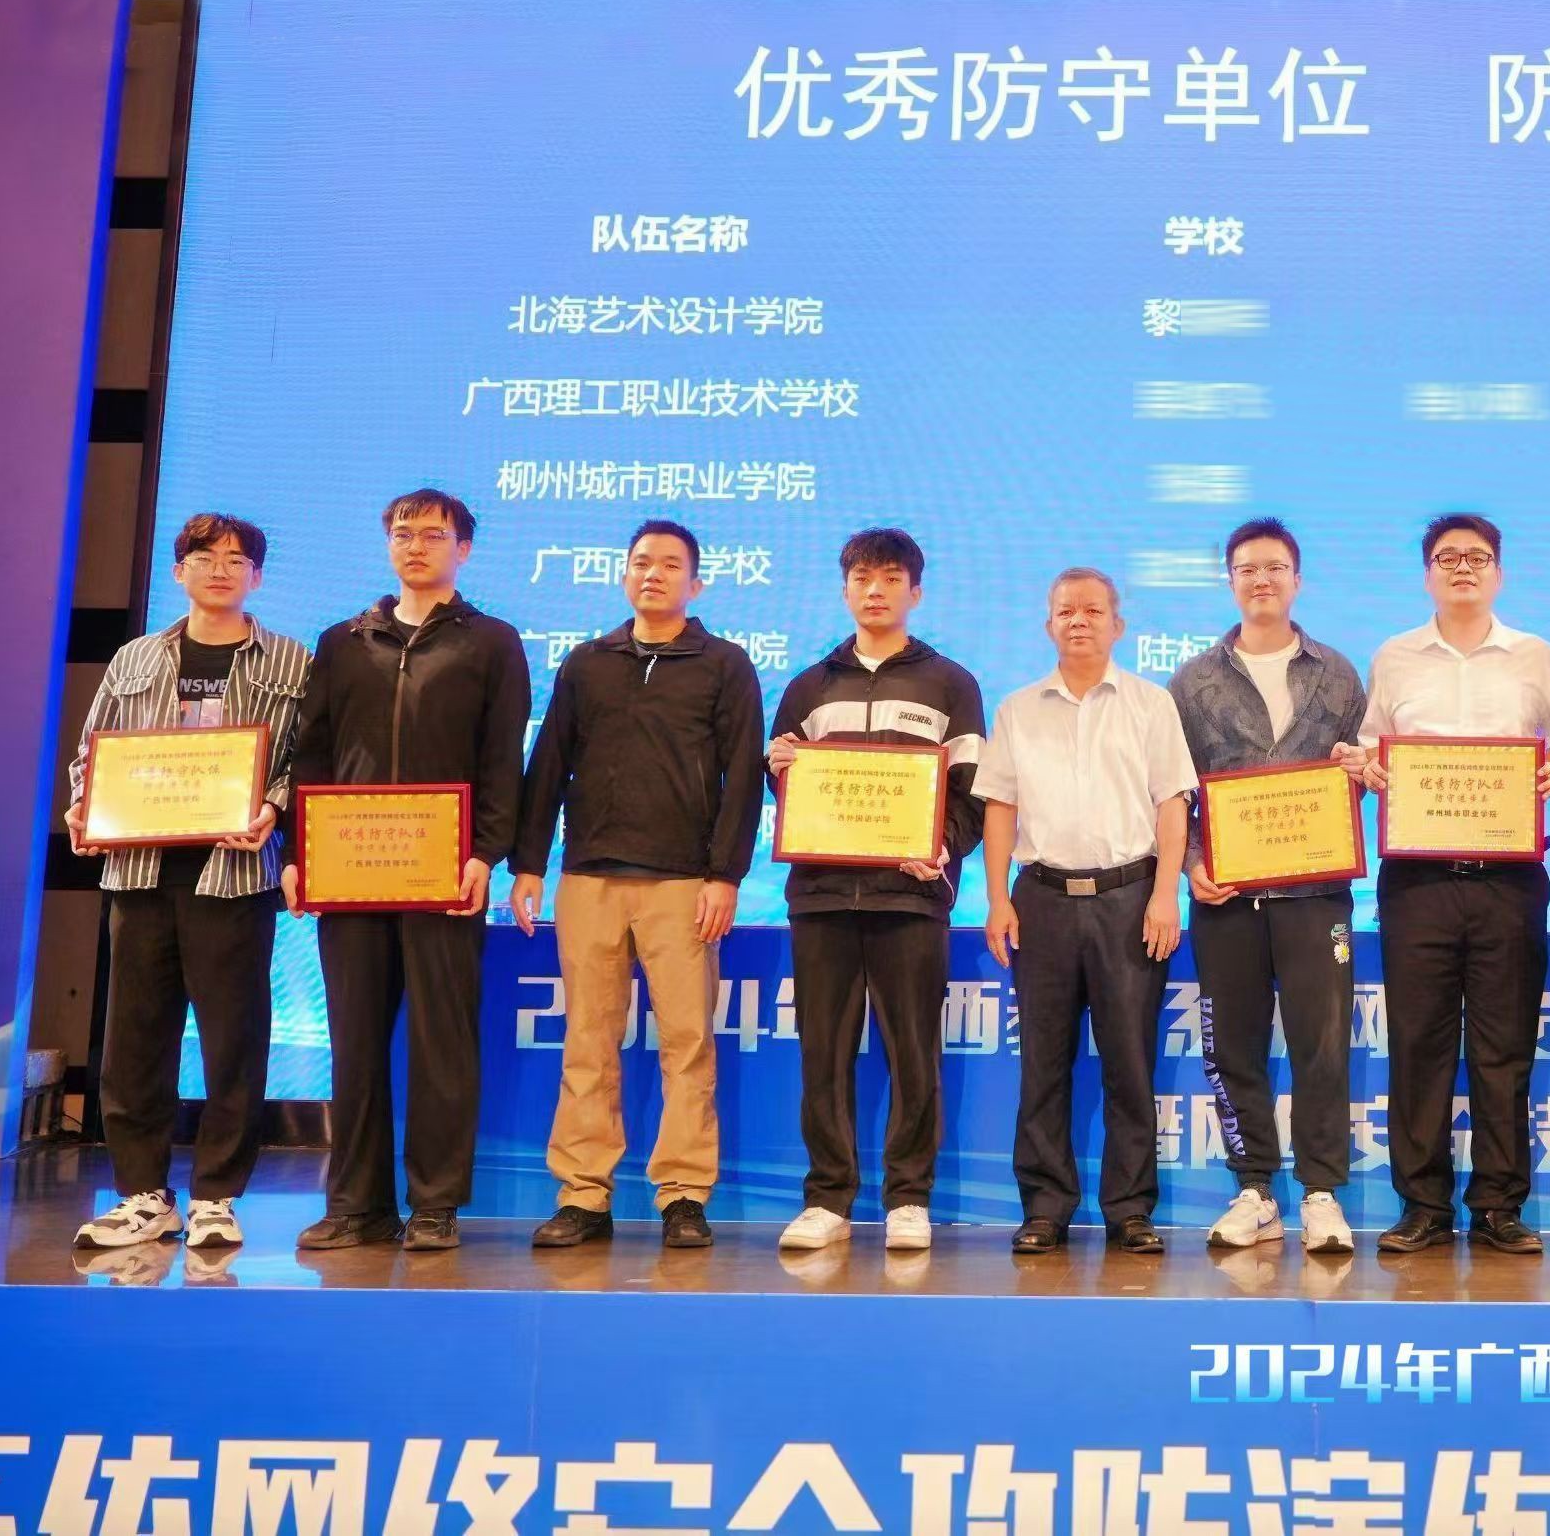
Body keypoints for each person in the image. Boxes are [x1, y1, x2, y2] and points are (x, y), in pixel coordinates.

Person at [283, 487, 530, 1253]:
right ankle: (357, 1204)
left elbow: (502, 759)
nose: (415, 545)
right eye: (402, 533)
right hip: (349, 871)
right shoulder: (344, 640)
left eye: (432, 534)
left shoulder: (492, 642)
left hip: (443, 874)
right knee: (355, 1043)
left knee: (441, 1044)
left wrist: (485, 853)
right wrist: (297, 854)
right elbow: (311, 753)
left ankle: (434, 1204)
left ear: (464, 549)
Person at [510, 520, 764, 1252]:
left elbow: (743, 776)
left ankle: (683, 1193)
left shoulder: (724, 665)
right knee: (588, 1042)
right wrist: (529, 864)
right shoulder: (588, 663)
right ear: (623, 575)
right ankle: (584, 1194)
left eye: (670, 565)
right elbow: (548, 764)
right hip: (589, 877)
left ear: (697, 583)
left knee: (688, 1043)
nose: (653, 574)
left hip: (682, 883)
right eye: (642, 562)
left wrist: (725, 875)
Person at [64, 513, 309, 1254]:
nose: (221, 569)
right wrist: (83, 805)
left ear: (257, 576)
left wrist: (273, 807)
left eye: (237, 559)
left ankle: (215, 1198)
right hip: (140, 872)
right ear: (179, 572)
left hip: (233, 875)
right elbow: (93, 753)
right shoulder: (136, 657)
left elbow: (306, 757)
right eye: (205, 557)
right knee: (134, 1039)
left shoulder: (292, 660)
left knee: (234, 1041)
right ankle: (143, 1194)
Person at [1346, 514, 1550, 1255]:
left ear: (1499, 572)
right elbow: (1372, 751)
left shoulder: (1536, 656)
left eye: (1477, 557)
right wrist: (1370, 769)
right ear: (1427, 574)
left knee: (1505, 1047)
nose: (1463, 568)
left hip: (1509, 879)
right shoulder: (1394, 656)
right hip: (1417, 882)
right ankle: (1423, 1206)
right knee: (1419, 1044)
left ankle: (1499, 1205)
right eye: (1448, 558)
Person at [766, 528, 987, 1252]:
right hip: (822, 897)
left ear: (914, 592)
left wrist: (941, 848)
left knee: (913, 1052)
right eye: (863, 577)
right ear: (845, 589)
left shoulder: (950, 684)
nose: (875, 590)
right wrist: (779, 768)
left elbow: (972, 792)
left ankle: (908, 1198)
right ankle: (828, 1199)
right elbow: (789, 792)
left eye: (891, 578)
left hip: (911, 899)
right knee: (822, 1053)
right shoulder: (808, 687)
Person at [974, 568, 1196, 1254]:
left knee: (1129, 1061)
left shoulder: (1150, 704)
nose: (1079, 621)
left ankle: (1130, 1209)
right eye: (1066, 611)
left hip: (1130, 899)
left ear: (1117, 625)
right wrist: (996, 898)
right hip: (1041, 899)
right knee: (1044, 1063)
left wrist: (1166, 893)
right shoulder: (1017, 709)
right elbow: (1000, 808)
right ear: (1048, 625)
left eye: (1093, 611)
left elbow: (1172, 804)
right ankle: (1046, 1207)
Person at [1168, 518, 1369, 1254]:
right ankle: (1254, 1189)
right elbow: (1174, 790)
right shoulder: (1192, 681)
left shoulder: (1339, 674)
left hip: (1317, 898)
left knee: (1323, 1046)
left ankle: (1321, 1193)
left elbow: (1361, 781)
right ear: (1230, 580)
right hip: (1227, 900)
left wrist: (1359, 774)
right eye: (1248, 568)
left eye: (1275, 567)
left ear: (1297, 579)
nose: (1262, 579)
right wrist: (1192, 863)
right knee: (1234, 1048)